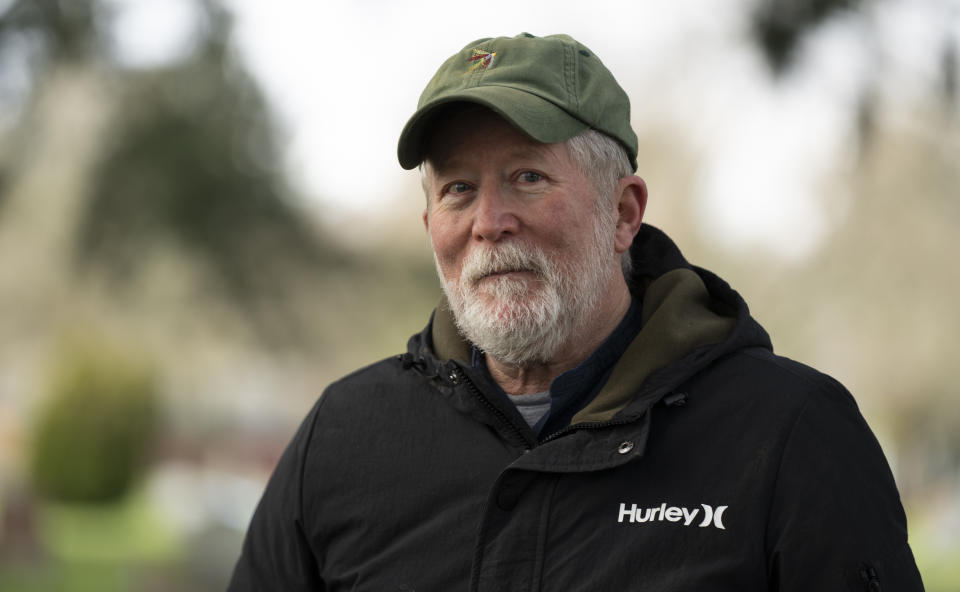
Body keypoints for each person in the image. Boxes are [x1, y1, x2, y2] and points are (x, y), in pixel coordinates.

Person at [228, 33, 924, 591]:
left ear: (624, 213)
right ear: (428, 221)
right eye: (459, 189)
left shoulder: (793, 436)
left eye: (527, 177)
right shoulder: (343, 437)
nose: (489, 222)